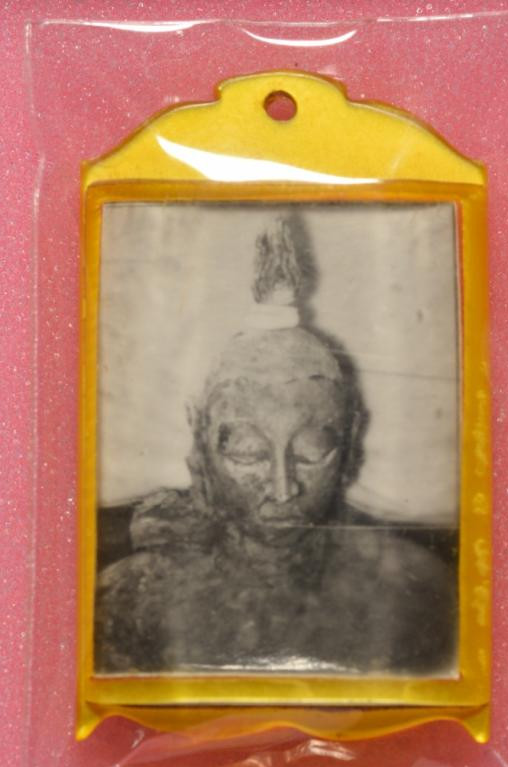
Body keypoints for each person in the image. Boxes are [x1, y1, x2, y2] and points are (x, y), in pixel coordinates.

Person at [94, 216, 457, 675]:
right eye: (248, 452)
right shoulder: (130, 604)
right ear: (201, 440)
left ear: (350, 439)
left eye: (310, 452)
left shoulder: (415, 596)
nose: (283, 489)